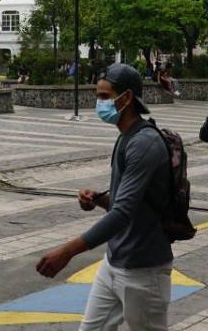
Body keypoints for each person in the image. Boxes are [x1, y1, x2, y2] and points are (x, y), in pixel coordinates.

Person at [34, 64, 174, 330]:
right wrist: (97, 199)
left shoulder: (144, 143)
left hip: (143, 270)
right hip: (114, 262)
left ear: (127, 98)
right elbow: (125, 203)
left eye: (104, 96)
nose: (98, 103)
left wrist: (67, 252)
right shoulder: (125, 137)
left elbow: (122, 214)